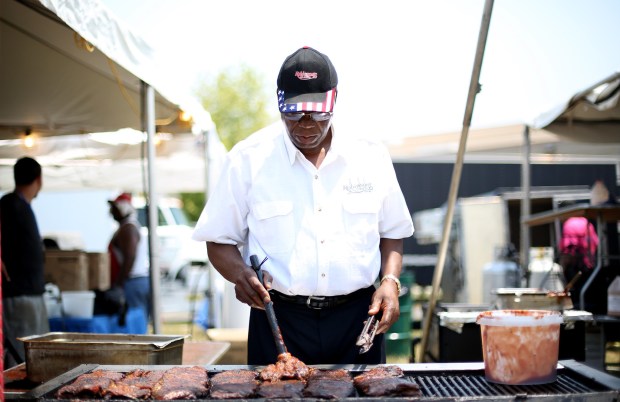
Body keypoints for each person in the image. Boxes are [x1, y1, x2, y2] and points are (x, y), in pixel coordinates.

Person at [192, 46, 414, 365]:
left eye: (316, 112)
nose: (305, 123)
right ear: (280, 103)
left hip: (357, 319)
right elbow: (218, 241)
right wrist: (241, 274)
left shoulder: (370, 156)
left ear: (333, 101)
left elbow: (392, 232)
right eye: (294, 112)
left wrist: (390, 281)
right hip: (278, 320)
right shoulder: (248, 159)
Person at [1, 157, 50, 368]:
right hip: (18, 294)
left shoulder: (20, 205)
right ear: (39, 179)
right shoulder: (9, 204)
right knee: (21, 356)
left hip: (30, 291)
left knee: (35, 353)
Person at [108, 192, 150, 332]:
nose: (111, 212)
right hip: (135, 281)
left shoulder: (128, 228)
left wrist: (119, 283)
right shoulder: (128, 227)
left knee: (135, 322)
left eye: (114, 208)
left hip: (133, 282)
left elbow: (130, 257)